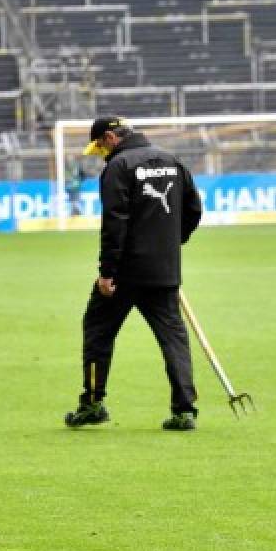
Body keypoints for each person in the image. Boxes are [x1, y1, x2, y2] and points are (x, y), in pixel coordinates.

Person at [65, 116, 204, 431]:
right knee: (173, 338)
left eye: (100, 146)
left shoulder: (118, 166)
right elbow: (194, 209)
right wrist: (171, 243)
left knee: (98, 330)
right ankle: (184, 409)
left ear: (111, 137)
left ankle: (92, 403)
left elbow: (114, 222)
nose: (100, 153)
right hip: (164, 269)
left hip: (125, 271)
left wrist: (107, 272)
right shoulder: (172, 161)